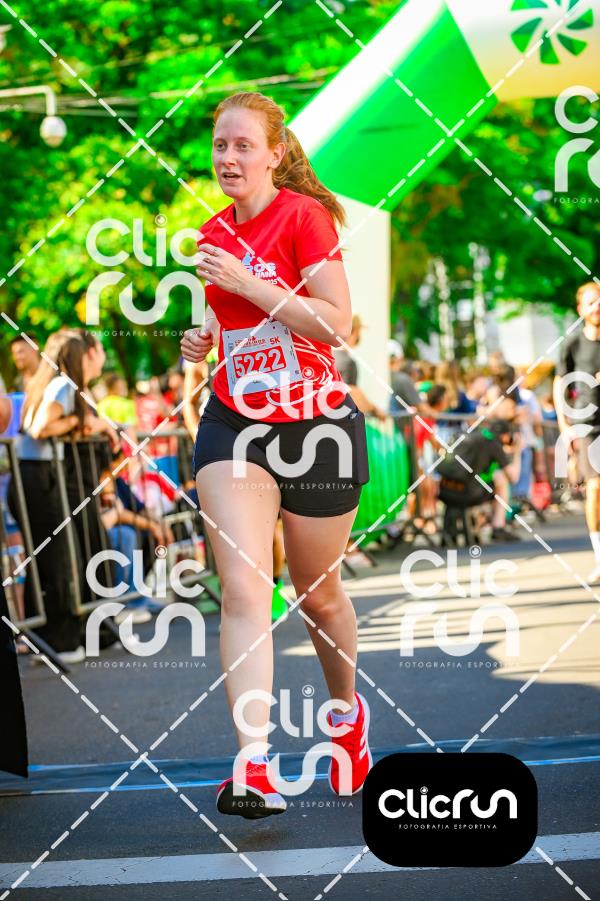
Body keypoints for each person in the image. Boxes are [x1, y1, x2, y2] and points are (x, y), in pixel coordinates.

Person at [180, 91, 372, 818]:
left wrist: (249, 285)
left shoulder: (304, 218)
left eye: (242, 145)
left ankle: (346, 715)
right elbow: (223, 320)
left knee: (318, 595)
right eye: (219, 145)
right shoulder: (211, 233)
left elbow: (336, 324)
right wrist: (201, 337)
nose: (227, 158)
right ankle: (254, 763)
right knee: (243, 588)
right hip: (236, 424)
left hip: (316, 430)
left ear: (274, 153)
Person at [7, 330, 115, 663]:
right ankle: (64, 641)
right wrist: (80, 423)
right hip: (40, 479)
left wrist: (83, 425)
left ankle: (59, 638)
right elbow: (41, 427)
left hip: (32, 476)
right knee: (59, 560)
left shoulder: (47, 384)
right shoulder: (63, 386)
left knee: (51, 559)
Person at [554, 282, 600, 581]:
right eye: (592, 302)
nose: (598, 307)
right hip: (588, 424)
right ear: (581, 309)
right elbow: (560, 383)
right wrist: (564, 425)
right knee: (595, 487)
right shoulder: (572, 344)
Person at [333, 314, 386, 419]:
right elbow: (354, 394)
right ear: (355, 332)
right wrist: (375, 410)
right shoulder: (348, 362)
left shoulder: (330, 356)